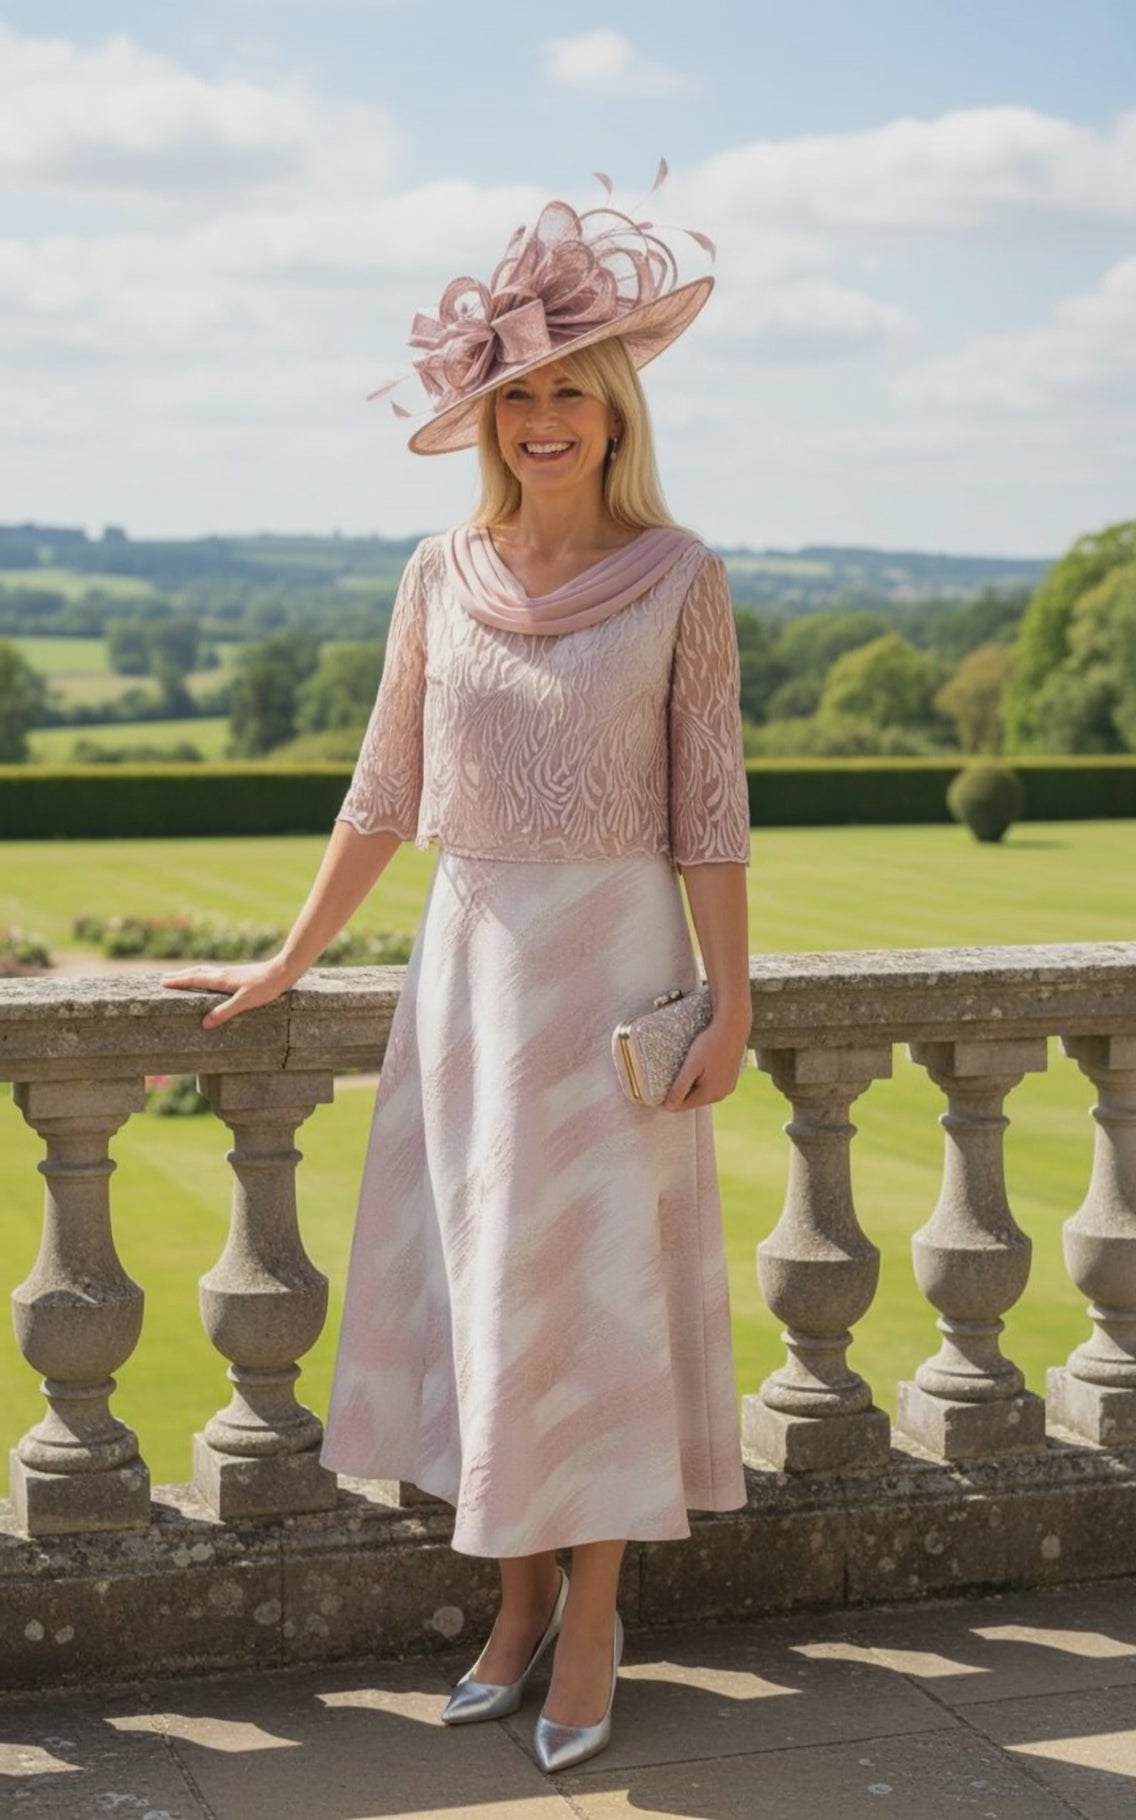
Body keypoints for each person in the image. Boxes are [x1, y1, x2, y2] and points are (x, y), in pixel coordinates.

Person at [162, 178, 753, 1775]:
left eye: (571, 390)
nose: (545, 417)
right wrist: (294, 951)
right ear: (489, 416)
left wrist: (734, 1002)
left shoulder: (685, 576)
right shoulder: (439, 575)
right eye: (520, 394)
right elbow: (381, 791)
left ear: (616, 413)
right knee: (491, 1305)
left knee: (596, 1310)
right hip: (471, 986)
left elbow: (710, 811)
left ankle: (602, 1613)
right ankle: (511, 1606)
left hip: (620, 982)